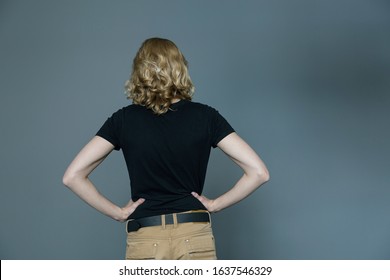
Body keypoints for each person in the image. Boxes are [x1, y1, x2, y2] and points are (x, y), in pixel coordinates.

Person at [62, 37, 270, 260]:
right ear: (180, 68)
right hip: (194, 234)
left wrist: (118, 213)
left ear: (139, 71)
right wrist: (215, 205)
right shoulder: (206, 117)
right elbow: (259, 173)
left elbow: (72, 176)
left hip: (145, 236)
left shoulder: (123, 120)